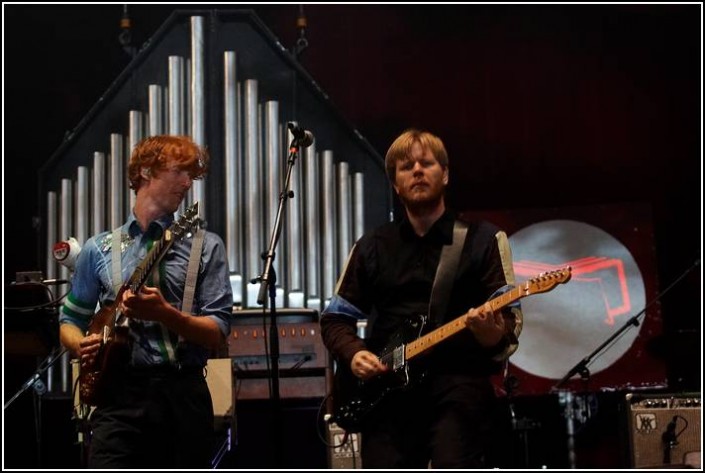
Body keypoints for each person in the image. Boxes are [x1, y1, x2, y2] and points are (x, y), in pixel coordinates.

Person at [320, 128, 523, 469]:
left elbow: (510, 327)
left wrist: (488, 331)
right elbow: (335, 319)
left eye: (426, 163)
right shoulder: (371, 246)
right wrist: (355, 354)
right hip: (387, 394)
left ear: (445, 174)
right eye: (405, 166)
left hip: (458, 387)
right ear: (395, 184)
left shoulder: (483, 240)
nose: (416, 170)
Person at [59, 135, 234, 468]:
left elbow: (217, 332)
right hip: (117, 397)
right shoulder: (98, 249)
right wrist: (83, 345)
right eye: (179, 171)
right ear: (144, 171)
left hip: (184, 394)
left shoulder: (207, 246)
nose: (187, 183)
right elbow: (70, 321)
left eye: (191, 175)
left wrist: (166, 314)